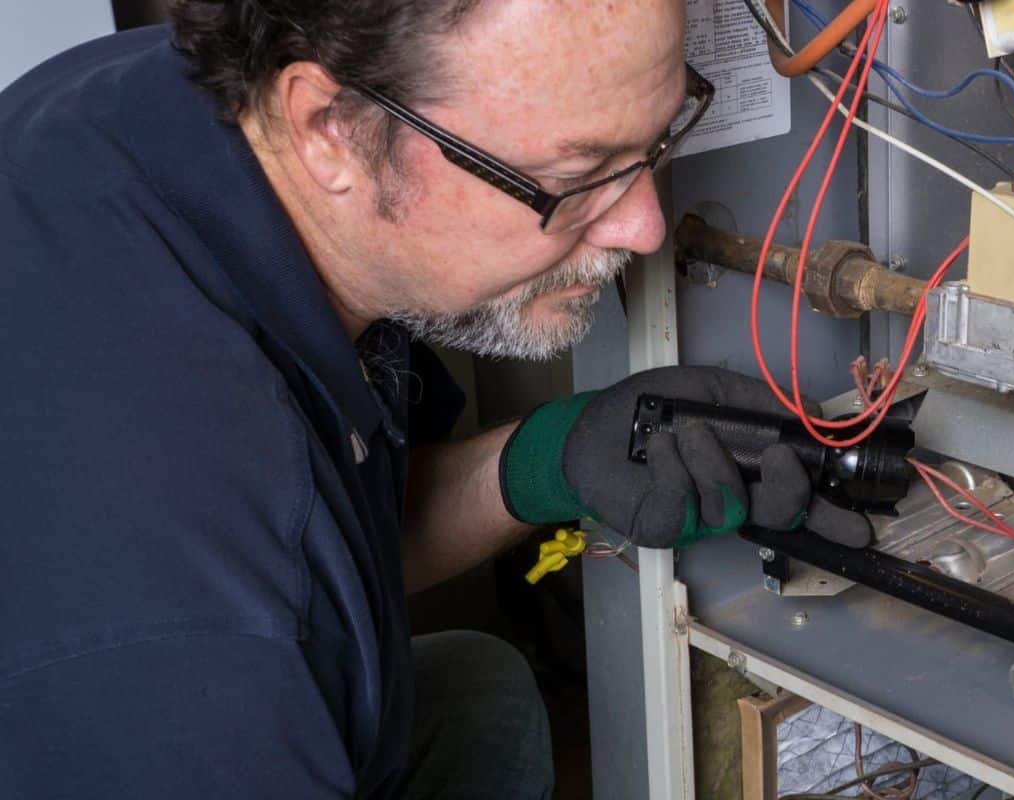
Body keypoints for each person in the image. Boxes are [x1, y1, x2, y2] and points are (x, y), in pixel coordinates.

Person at [0, 0, 870, 796]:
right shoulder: (206, 629)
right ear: (328, 129)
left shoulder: (163, 98)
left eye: (655, 139)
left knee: (478, 694)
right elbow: (271, 572)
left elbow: (347, 534)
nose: (643, 225)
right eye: (577, 171)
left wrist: (549, 457)